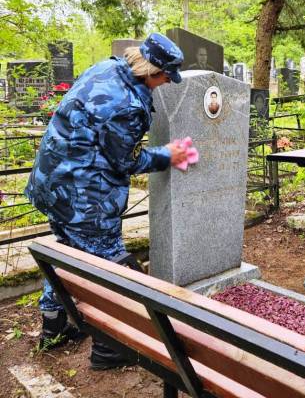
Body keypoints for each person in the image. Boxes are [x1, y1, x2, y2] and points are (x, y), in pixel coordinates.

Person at [25, 32, 189, 370]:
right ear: (152, 71)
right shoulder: (128, 106)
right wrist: (166, 156)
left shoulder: (106, 68)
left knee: (66, 251)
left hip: (51, 182)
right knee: (108, 268)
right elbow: (125, 161)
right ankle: (109, 348)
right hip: (85, 199)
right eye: (163, 78)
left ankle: (53, 326)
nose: (162, 85)